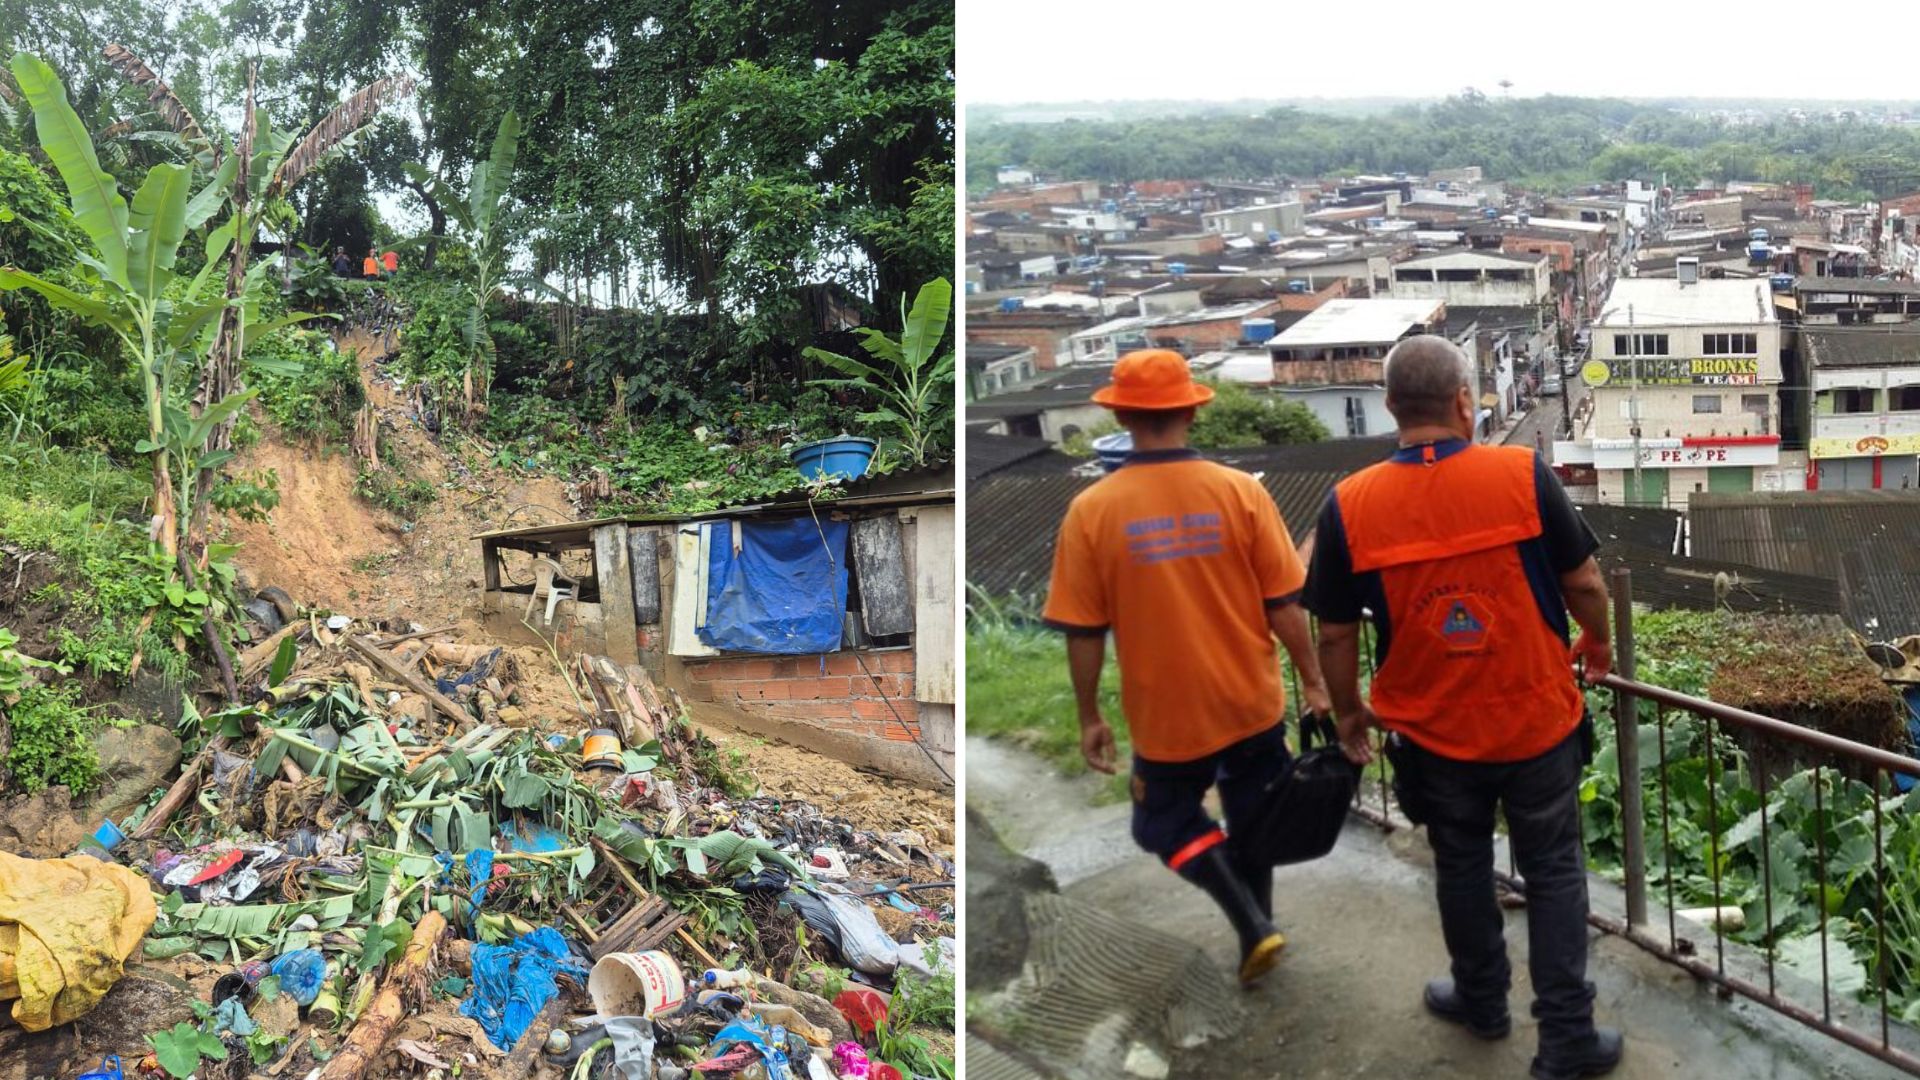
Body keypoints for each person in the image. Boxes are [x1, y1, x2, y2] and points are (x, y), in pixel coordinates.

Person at [1303, 335, 1621, 1080]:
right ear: (1463, 402)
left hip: (1431, 732)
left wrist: (1348, 713)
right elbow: (1583, 583)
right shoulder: (1520, 474)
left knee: (1462, 863)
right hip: (1535, 722)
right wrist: (1599, 642)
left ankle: (1482, 1001)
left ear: (1390, 406)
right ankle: (1566, 1038)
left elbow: (1336, 633)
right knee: (1553, 872)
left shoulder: (1350, 505)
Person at [1043, 348, 1333, 988]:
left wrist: (1089, 716)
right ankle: (1258, 926)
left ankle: (1253, 927)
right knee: (1254, 821)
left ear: (1121, 417)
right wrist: (1313, 681)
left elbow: (1083, 632)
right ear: (1191, 413)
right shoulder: (1240, 492)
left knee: (1162, 822)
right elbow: (1284, 605)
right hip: (1251, 700)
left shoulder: (1092, 511)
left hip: (1168, 716)